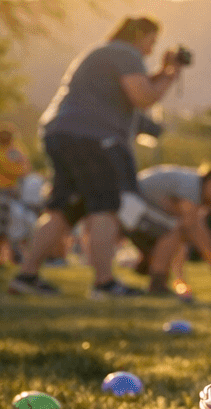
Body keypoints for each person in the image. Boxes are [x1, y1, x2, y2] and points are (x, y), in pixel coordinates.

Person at [9, 16, 184, 297]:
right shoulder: (125, 52)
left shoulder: (103, 53)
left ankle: (26, 276)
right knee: (106, 206)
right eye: (151, 42)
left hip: (59, 132)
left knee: (64, 209)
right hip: (94, 138)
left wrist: (163, 72)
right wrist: (170, 75)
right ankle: (104, 284)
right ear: (139, 34)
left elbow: (135, 88)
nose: (150, 51)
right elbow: (142, 96)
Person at [125, 162, 211, 297]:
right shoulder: (193, 186)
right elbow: (191, 226)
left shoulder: (195, 186)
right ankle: (157, 283)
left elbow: (195, 228)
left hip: (136, 205)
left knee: (175, 229)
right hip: (131, 204)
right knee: (174, 230)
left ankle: (148, 266)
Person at [0, 122, 30, 265]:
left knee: (7, 224)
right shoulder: (12, 152)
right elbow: (24, 170)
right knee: (10, 225)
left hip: (9, 192)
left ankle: (10, 257)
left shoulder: (12, 152)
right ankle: (14, 256)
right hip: (8, 192)